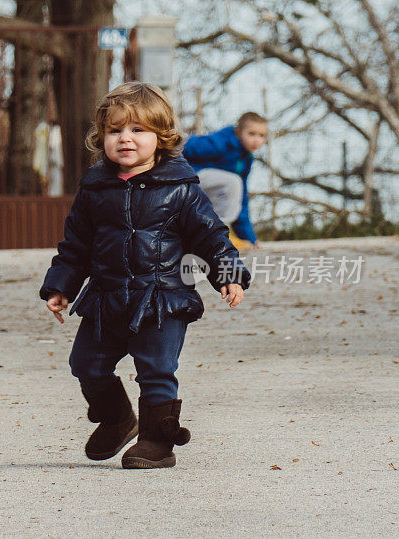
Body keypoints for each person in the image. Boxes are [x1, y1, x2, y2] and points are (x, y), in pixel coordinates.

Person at [39, 82, 251, 469]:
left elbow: (212, 235)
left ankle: (157, 442)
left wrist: (227, 273)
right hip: (107, 298)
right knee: (86, 363)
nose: (125, 139)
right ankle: (119, 418)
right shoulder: (94, 188)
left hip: (161, 299)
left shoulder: (181, 188)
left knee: (155, 369)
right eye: (115, 130)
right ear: (101, 137)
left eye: (138, 130)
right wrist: (60, 286)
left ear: (161, 137)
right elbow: (76, 245)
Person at [183, 112, 268, 249]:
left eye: (262, 135)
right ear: (239, 132)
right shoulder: (223, 141)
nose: (257, 140)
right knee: (233, 182)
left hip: (203, 186)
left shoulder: (246, 159)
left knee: (234, 188)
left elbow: (241, 199)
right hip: (186, 177)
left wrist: (250, 238)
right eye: (251, 134)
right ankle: (217, 234)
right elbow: (188, 146)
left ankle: (212, 235)